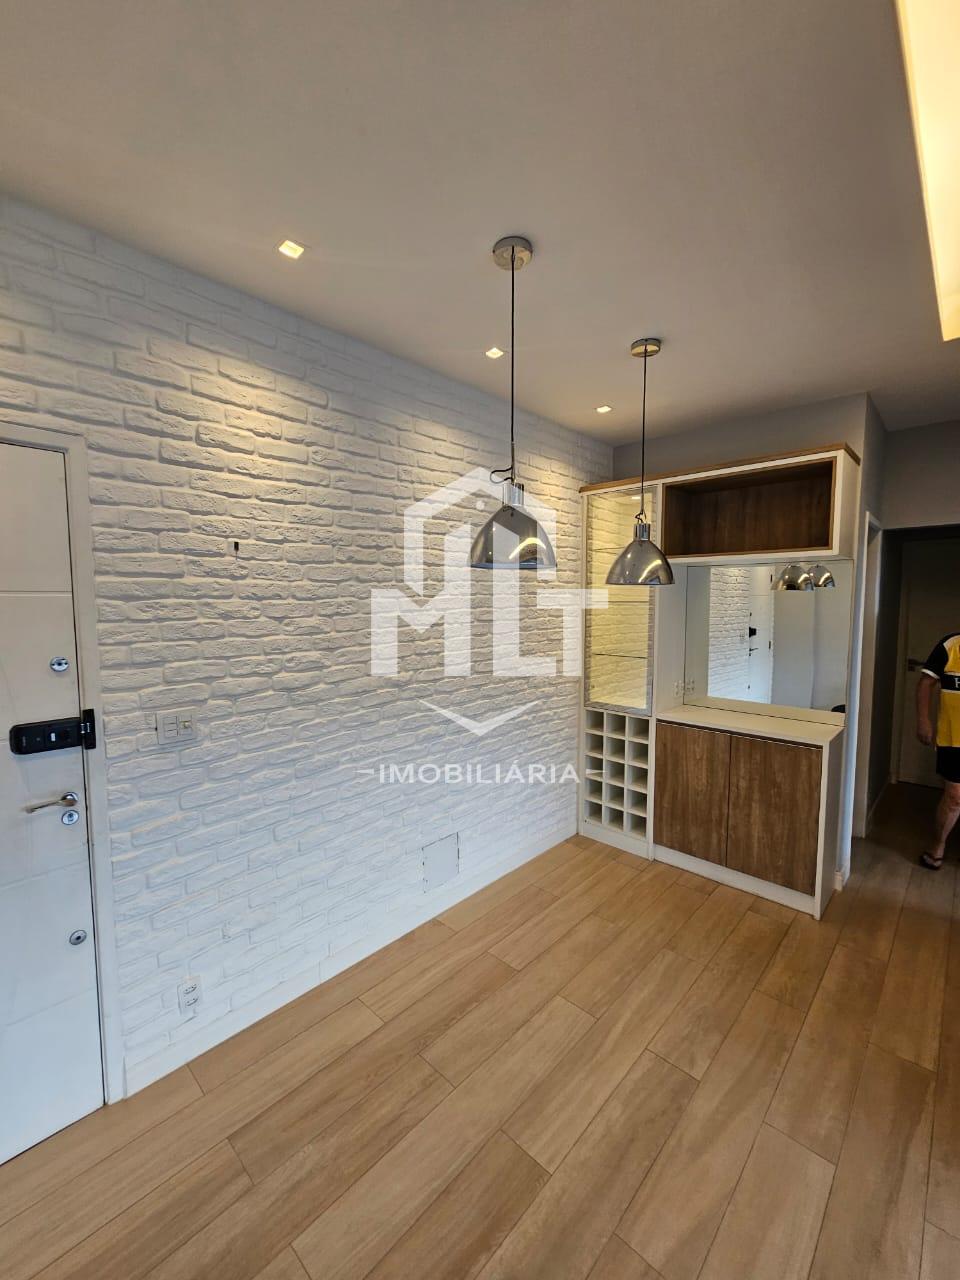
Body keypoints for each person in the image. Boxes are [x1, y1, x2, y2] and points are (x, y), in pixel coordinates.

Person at [917, 632, 960, 869]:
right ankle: (938, 844)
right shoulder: (950, 646)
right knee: (954, 796)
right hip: (953, 738)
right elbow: (926, 682)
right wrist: (923, 720)